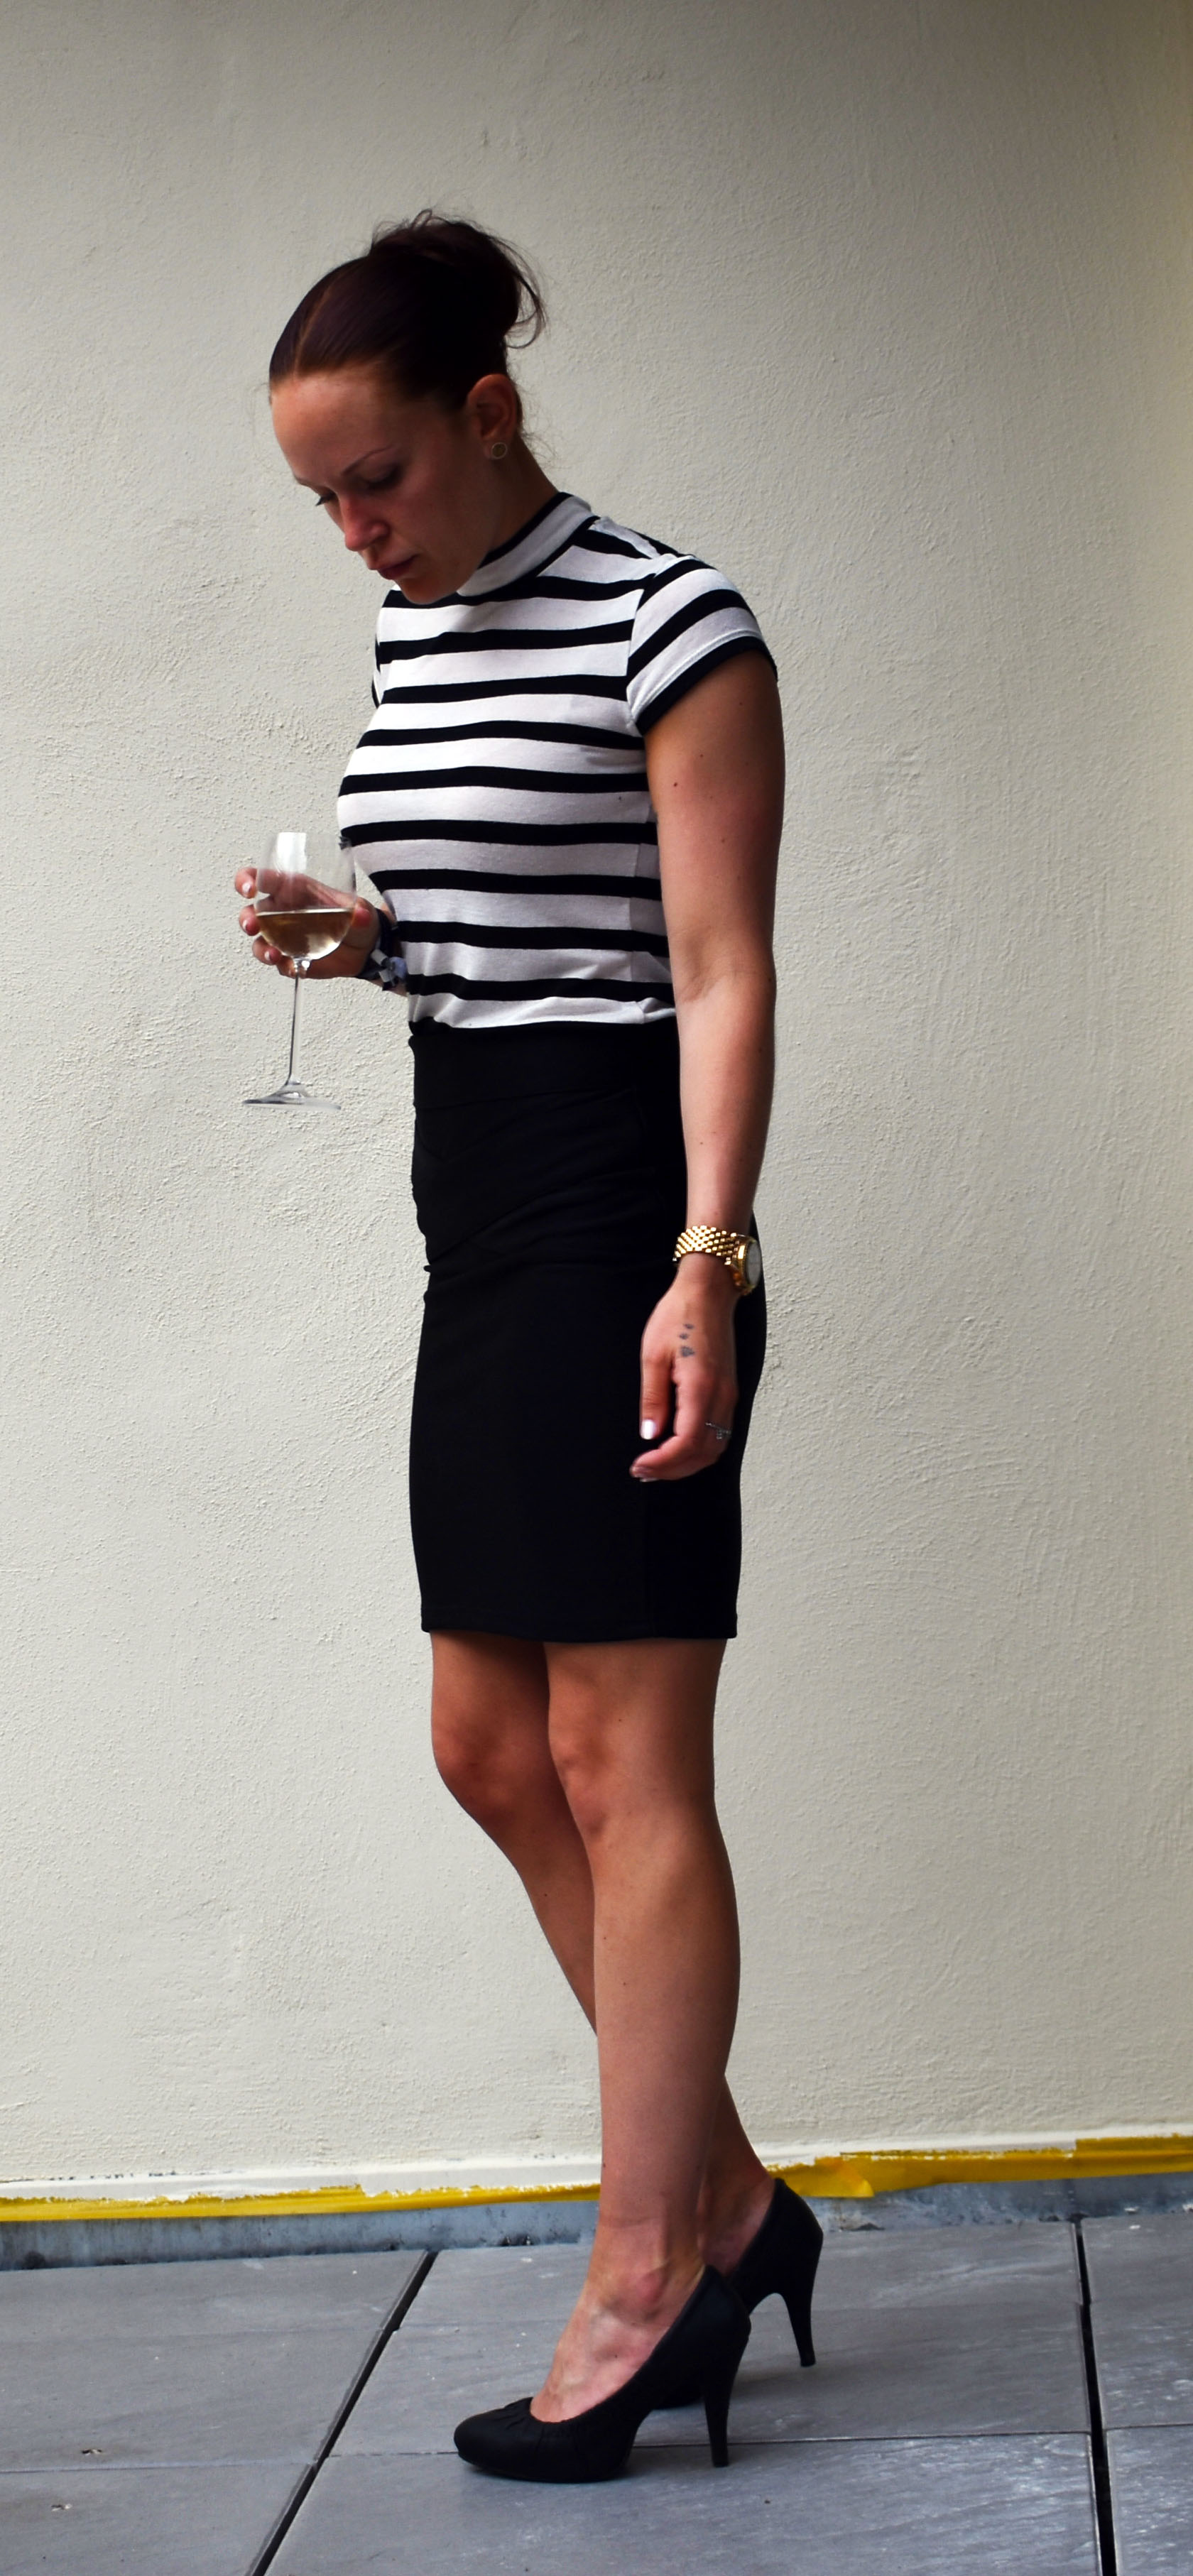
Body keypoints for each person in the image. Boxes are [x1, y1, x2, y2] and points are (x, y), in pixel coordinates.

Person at [236, 212, 821, 2484]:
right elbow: (517, 918)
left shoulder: (674, 619)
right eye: (320, 499)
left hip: (620, 1210)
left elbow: (716, 966)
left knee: (619, 1753)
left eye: (373, 478)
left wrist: (709, 1263)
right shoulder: (422, 625)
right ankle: (738, 2199)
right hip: (473, 1209)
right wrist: (371, 936)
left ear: (488, 412)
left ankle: (648, 2269)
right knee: (490, 1742)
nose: (353, 532)